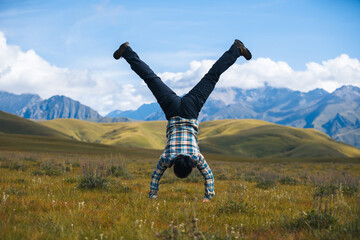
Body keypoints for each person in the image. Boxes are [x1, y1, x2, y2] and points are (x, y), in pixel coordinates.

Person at [113, 40, 252, 202]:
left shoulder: (196, 157)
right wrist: (153, 196)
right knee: (151, 79)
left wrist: (208, 197)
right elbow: (155, 177)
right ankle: (127, 52)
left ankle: (236, 50)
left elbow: (209, 177)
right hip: (171, 109)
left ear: (192, 165)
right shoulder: (167, 157)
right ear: (173, 165)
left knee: (211, 77)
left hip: (191, 109)